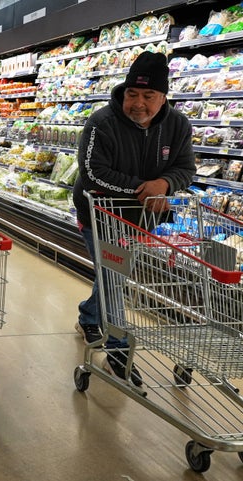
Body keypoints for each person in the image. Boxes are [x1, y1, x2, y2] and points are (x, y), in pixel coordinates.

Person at [72, 51, 195, 386]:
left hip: (142, 220)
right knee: (114, 275)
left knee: (113, 272)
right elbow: (93, 174)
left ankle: (89, 316)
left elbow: (186, 168)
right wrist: (144, 189)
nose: (138, 103)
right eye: (132, 94)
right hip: (98, 215)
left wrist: (164, 184)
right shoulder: (101, 123)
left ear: (163, 97)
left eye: (148, 95)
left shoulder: (178, 125)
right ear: (124, 92)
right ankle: (118, 349)